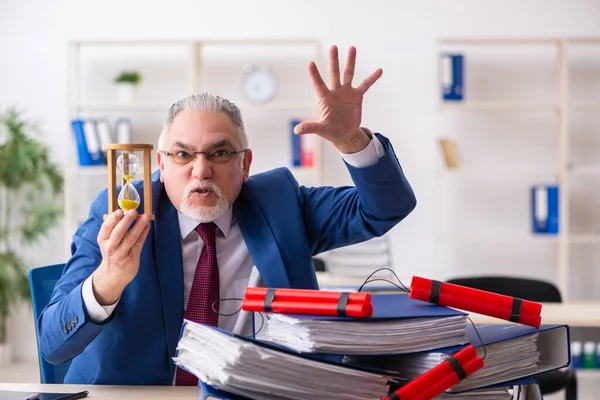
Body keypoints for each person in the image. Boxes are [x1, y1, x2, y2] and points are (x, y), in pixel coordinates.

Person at [37, 45, 417, 385]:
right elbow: (53, 344)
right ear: (162, 166)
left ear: (245, 163)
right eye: (183, 155)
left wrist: (353, 142)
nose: (201, 171)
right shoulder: (122, 211)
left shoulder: (281, 205)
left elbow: (386, 207)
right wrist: (107, 281)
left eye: (219, 154)